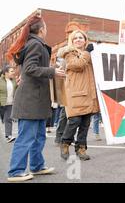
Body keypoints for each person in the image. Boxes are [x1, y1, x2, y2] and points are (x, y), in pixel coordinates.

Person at [6, 13, 65, 182]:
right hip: (30, 100)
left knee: (39, 136)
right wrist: (52, 71)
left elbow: (29, 69)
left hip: (37, 100)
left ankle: (37, 166)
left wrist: (51, 69)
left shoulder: (34, 44)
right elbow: (31, 68)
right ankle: (15, 171)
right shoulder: (35, 45)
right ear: (41, 30)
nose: (46, 29)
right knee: (26, 137)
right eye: (45, 27)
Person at [60, 30, 100, 161]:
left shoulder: (90, 55)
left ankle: (81, 148)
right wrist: (87, 52)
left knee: (85, 123)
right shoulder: (68, 54)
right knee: (74, 121)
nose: (78, 40)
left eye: (81, 38)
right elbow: (78, 65)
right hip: (75, 94)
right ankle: (65, 143)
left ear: (85, 40)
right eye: (75, 38)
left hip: (89, 94)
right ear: (71, 41)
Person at [0, 66, 17, 143]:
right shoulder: (0, 81)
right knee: (5, 119)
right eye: (11, 71)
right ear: (6, 73)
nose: (13, 72)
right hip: (1, 103)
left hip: (9, 103)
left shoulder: (14, 80)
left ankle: (8, 136)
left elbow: (16, 89)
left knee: (8, 119)